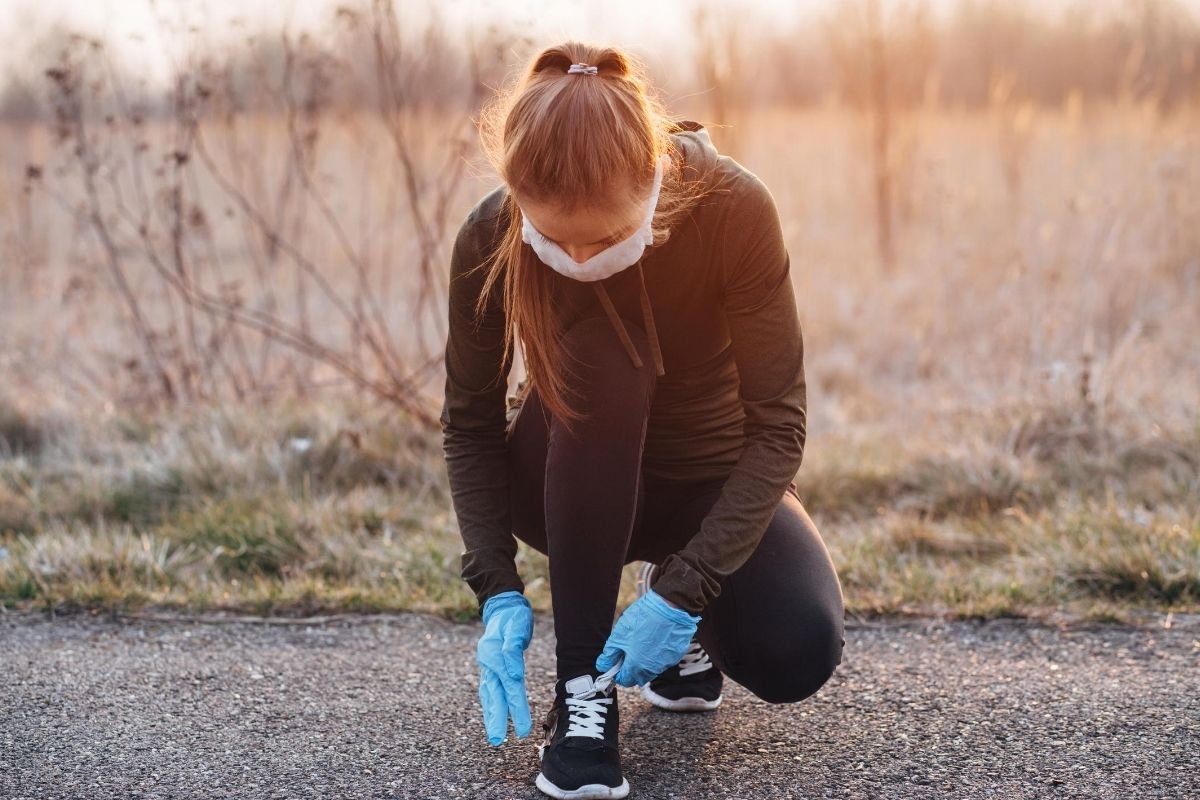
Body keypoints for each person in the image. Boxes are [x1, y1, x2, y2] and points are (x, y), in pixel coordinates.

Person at [440, 41, 845, 800]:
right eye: (555, 238)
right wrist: (494, 585)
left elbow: (779, 428)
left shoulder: (732, 208)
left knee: (798, 650)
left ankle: (685, 625)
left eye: (600, 236)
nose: (578, 254)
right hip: (564, 480)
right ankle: (583, 700)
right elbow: (469, 424)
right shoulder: (492, 233)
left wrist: (685, 590)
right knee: (598, 361)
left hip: (707, 479)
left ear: (652, 179)